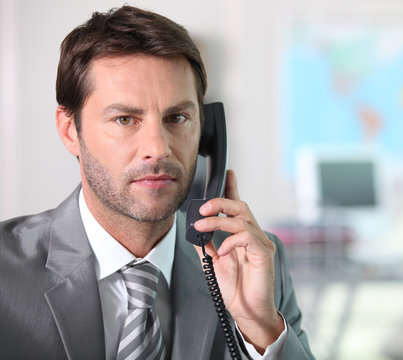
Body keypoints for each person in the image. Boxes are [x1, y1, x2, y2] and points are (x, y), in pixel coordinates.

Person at [0, 5, 313, 360]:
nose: (158, 148)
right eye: (124, 119)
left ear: (208, 132)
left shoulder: (255, 265)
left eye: (177, 117)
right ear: (70, 130)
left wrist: (260, 328)